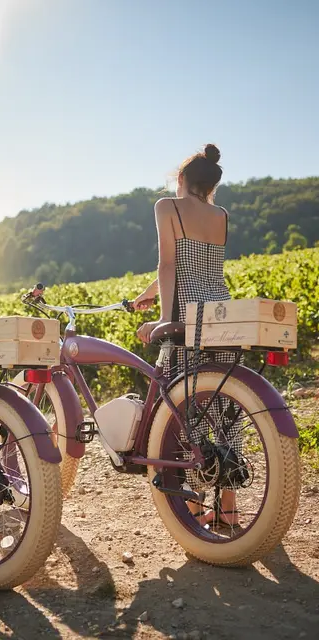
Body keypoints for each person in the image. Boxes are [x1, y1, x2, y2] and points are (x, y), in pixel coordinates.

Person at [133, 144, 240, 527]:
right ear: (210, 186)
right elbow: (195, 263)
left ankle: (194, 510)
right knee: (226, 408)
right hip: (222, 313)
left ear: (181, 179)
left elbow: (168, 264)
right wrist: (145, 297)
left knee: (187, 411)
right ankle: (227, 511)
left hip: (186, 315)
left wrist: (164, 318)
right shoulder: (221, 215)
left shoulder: (167, 207)